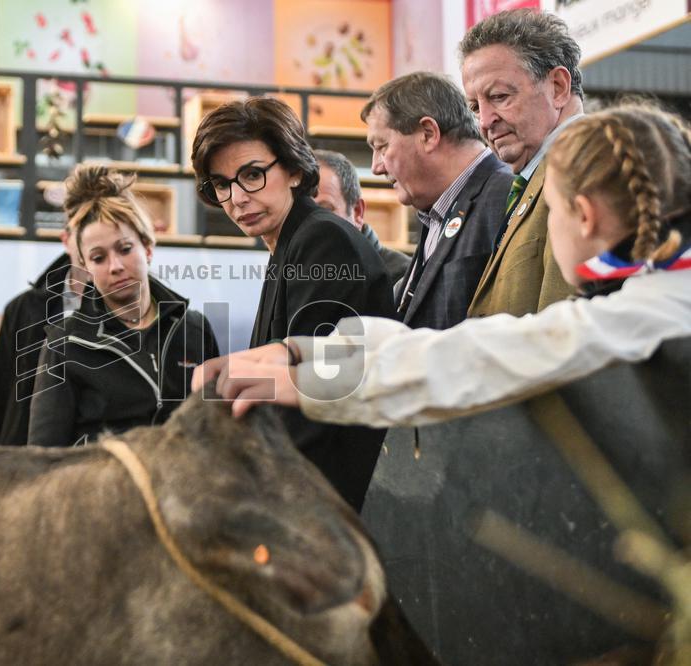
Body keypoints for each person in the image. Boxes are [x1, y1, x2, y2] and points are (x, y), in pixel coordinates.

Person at [193, 104, 691, 428]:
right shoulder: (655, 294)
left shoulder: (638, 315)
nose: (237, 197)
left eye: (550, 210)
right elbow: (441, 348)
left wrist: (308, 373)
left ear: (583, 215)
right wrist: (300, 354)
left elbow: (468, 358)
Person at [191, 96, 396, 511]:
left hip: (330, 498)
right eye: (222, 183)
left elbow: (313, 389)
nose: (237, 198)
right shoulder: (289, 242)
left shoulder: (322, 240)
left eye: (252, 174)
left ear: (295, 171)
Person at [27, 165, 219, 447]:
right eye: (98, 257)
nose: (115, 266)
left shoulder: (193, 329)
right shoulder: (65, 343)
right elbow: (43, 455)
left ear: (148, 247)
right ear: (85, 266)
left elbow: (217, 432)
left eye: (125, 249)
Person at [360, 72, 514, 330]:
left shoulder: (504, 196)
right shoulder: (436, 209)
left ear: (429, 133)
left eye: (382, 147)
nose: (376, 167)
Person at [460, 9, 580, 317]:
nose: (485, 121)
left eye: (499, 96)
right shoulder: (540, 176)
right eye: (475, 106)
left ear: (557, 87)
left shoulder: (582, 170)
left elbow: (563, 336)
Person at [0, 224, 89, 445]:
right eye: (83, 229)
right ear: (66, 238)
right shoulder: (24, 308)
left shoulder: (143, 312)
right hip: (25, 458)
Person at [313, 149, 412, 287]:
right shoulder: (293, 275)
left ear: (357, 212)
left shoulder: (403, 279)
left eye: (324, 211)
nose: (310, 225)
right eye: (301, 212)